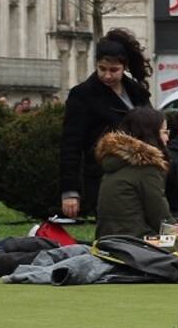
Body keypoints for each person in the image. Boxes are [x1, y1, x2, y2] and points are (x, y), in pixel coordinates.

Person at [60, 29, 153, 219]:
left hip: (140, 173)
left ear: (124, 67)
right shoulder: (82, 95)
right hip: (103, 176)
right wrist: (70, 191)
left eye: (114, 70)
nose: (107, 76)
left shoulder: (137, 91)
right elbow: (70, 145)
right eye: (102, 69)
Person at [94, 107, 172, 240]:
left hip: (106, 239)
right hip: (136, 241)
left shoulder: (115, 163)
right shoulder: (147, 168)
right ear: (151, 133)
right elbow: (160, 219)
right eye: (165, 132)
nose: (167, 138)